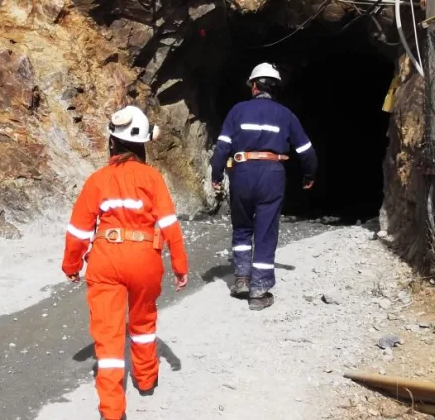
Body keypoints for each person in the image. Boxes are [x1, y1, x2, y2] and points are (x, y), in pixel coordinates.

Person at [62, 105, 189, 420]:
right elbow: (169, 224)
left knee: (108, 336)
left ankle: (112, 410)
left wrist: (71, 266)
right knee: (143, 322)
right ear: (143, 144)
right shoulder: (152, 178)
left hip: (105, 259)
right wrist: (180, 266)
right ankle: (146, 380)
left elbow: (79, 231)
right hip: (145, 258)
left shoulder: (98, 180)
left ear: (112, 142)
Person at [210, 63, 317, 311]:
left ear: (254, 86)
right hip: (272, 174)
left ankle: (242, 279)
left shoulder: (238, 111)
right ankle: (259, 291)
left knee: (242, 226)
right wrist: (309, 174)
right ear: (275, 88)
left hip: (242, 172)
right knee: (266, 230)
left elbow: (222, 147)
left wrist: (216, 174)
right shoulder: (286, 115)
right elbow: (306, 151)